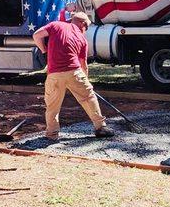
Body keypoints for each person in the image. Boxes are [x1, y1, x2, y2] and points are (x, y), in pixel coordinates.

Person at [32, 11, 114, 140]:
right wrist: (86, 82)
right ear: (82, 23)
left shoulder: (55, 25)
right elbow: (83, 64)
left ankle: (52, 134)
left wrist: (44, 51)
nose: (85, 29)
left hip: (54, 74)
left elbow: (36, 35)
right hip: (74, 72)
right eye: (86, 26)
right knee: (88, 98)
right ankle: (100, 127)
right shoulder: (82, 39)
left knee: (52, 106)